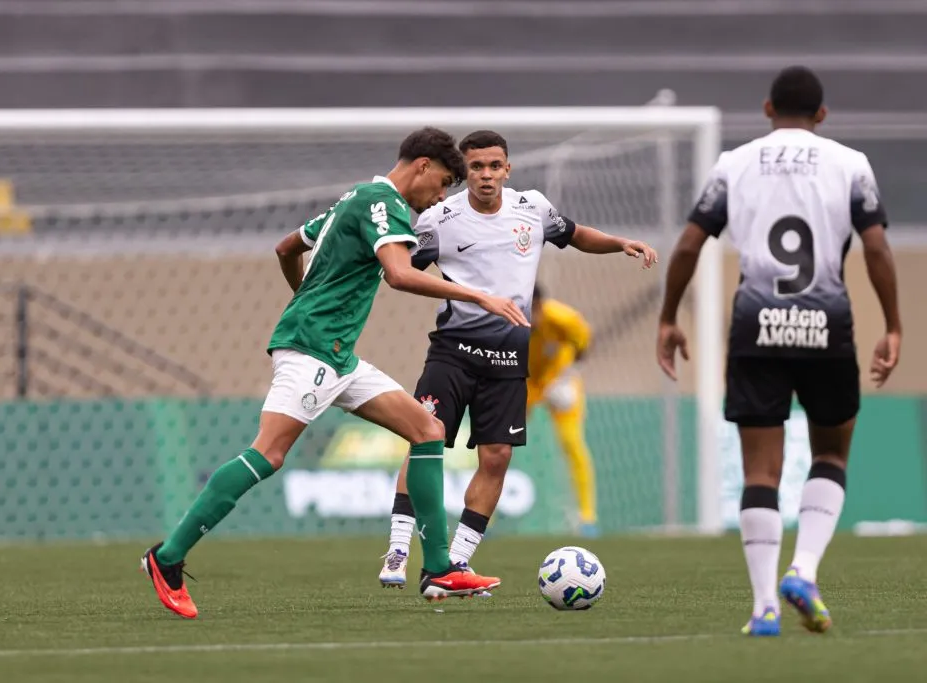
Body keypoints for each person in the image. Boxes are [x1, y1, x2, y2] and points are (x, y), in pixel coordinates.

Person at [142, 127, 530, 618]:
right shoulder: (383, 203)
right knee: (269, 454)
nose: (441, 195)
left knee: (427, 430)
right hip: (313, 351)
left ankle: (438, 570)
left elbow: (286, 248)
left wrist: (305, 299)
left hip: (338, 355)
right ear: (423, 166)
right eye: (445, 181)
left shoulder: (354, 197)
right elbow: (399, 273)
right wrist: (478, 295)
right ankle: (167, 557)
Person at [656, 66, 901, 637]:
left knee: (760, 470)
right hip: (826, 327)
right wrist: (894, 324)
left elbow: (690, 243)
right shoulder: (850, 165)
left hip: (755, 329)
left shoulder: (733, 165)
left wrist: (668, 316)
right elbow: (878, 247)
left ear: (767, 109)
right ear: (822, 115)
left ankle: (764, 605)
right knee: (831, 456)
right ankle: (804, 571)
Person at [378, 130, 657, 588]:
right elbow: (400, 268)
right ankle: (398, 548)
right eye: (476, 166)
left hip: (509, 358)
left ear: (507, 169)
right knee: (424, 443)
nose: (486, 175)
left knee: (497, 457)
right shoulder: (439, 219)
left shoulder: (532, 208)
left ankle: (458, 562)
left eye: (494, 166)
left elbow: (576, 234)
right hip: (452, 353)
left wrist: (619, 242)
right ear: (463, 170)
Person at [528, 284, 598, 536]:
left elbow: (583, 342)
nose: (531, 315)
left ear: (540, 304)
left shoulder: (562, 318)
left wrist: (568, 375)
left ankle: (587, 517)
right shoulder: (505, 319)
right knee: (499, 445)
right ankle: (485, 520)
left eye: (534, 308)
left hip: (558, 380)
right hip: (524, 383)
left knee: (572, 443)